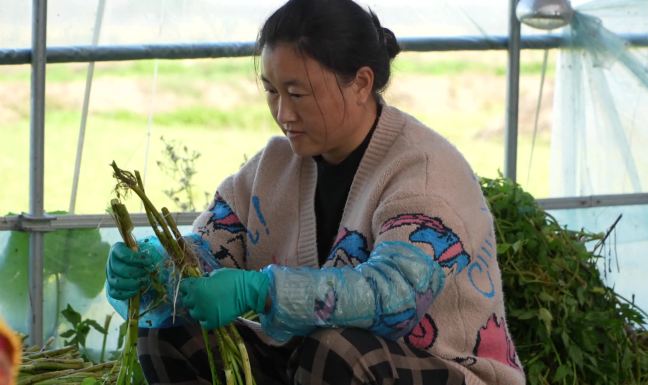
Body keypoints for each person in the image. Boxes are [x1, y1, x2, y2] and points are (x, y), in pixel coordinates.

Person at [105, 0, 526, 384]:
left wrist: (260, 290)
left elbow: (394, 298)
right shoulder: (272, 167)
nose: (283, 114)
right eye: (271, 91)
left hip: (437, 370)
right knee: (168, 334)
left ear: (361, 83)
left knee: (336, 349)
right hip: (307, 364)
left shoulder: (423, 171)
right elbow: (207, 251)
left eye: (298, 93)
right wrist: (156, 274)